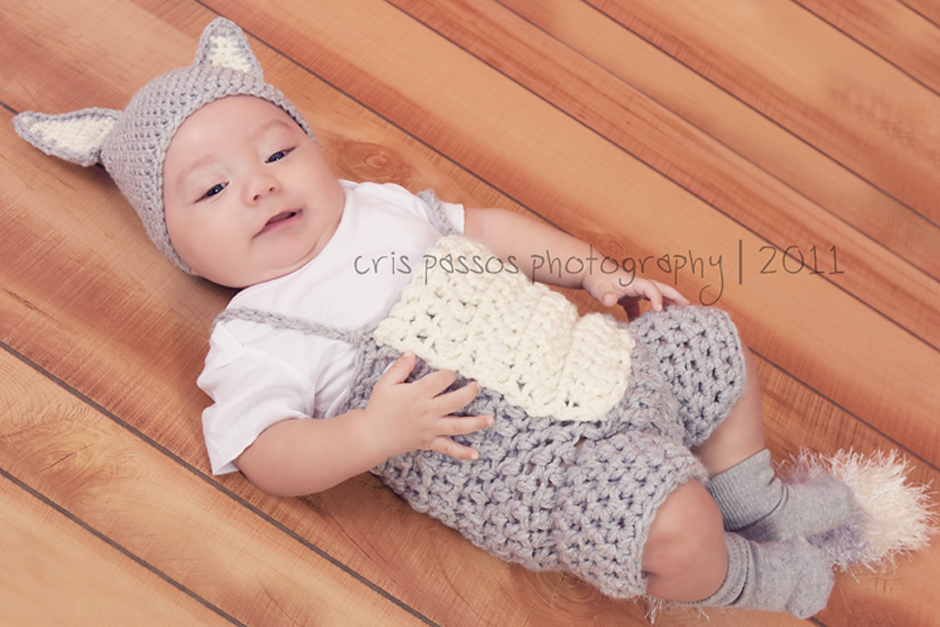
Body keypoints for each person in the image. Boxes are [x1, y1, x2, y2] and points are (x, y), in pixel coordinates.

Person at [14, 17, 933, 619]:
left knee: (712, 343)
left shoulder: (378, 207)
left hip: (603, 363)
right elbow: (266, 452)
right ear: (176, 244)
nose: (258, 184)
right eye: (212, 190)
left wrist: (594, 270)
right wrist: (373, 431)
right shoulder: (259, 332)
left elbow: (491, 230)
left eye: (278, 150)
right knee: (671, 522)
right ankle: (743, 577)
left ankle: (754, 497)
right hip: (543, 468)